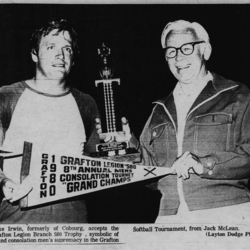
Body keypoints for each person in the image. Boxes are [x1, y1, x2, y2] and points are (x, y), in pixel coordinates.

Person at [97, 19, 250, 223]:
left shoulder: (237, 96)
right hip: (169, 218)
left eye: (186, 48)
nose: (178, 57)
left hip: (225, 213)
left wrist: (203, 163)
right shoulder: (159, 109)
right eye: (171, 51)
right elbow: (150, 173)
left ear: (205, 50)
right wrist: (127, 148)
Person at [0, 18, 99, 223]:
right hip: (17, 221)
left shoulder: (86, 103)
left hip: (73, 222)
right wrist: (3, 182)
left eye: (67, 48)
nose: (60, 55)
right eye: (51, 46)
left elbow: (101, 163)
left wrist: (125, 146)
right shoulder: (7, 97)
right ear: (34, 54)